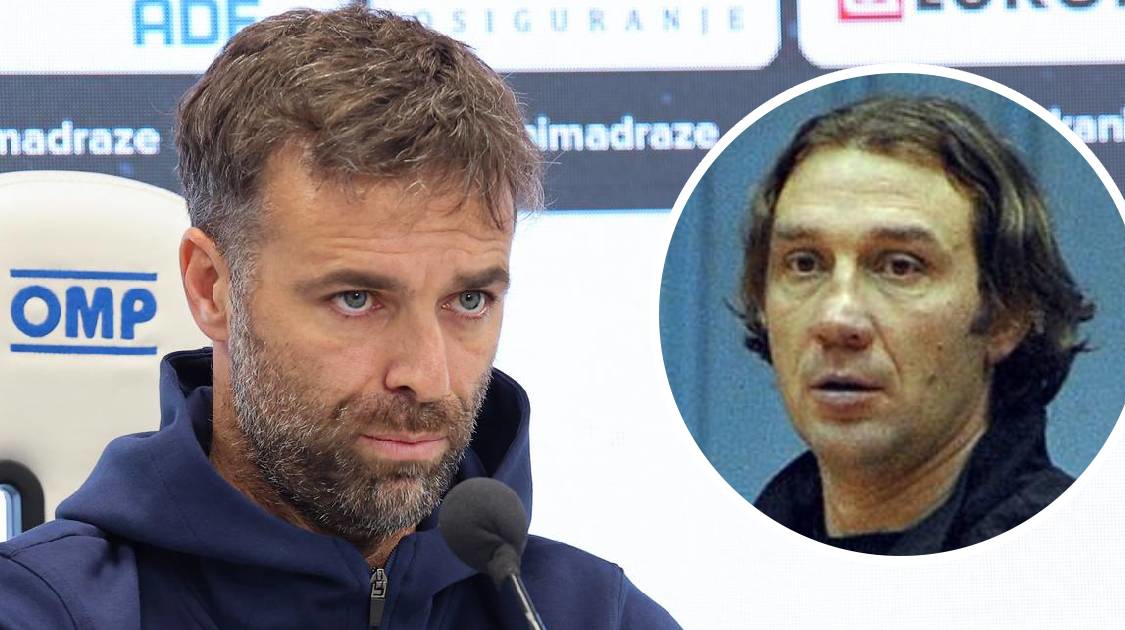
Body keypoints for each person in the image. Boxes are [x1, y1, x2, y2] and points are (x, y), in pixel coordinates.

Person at [0, 6, 679, 628]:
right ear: (211, 288)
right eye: (356, 299)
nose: (428, 376)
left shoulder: (593, 616)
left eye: (469, 300)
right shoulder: (44, 611)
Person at [737, 96, 1095, 555]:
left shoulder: (1080, 562)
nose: (836, 319)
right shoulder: (734, 559)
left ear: (1006, 315)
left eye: (900, 267)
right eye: (805, 263)